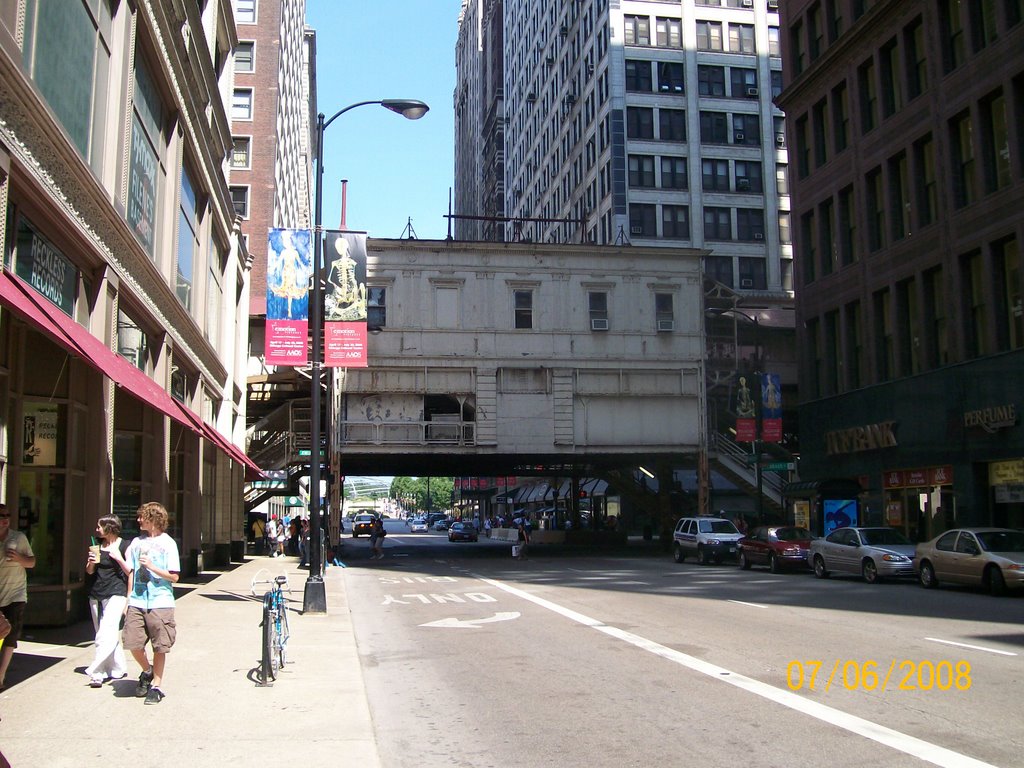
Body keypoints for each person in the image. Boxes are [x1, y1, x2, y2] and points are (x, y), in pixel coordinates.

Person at [124, 502, 180, 705]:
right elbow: (131, 571)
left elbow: (174, 577)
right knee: (132, 642)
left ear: (153, 519)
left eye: (142, 517)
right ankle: (147, 671)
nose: (138, 520)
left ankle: (156, 686)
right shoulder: (136, 543)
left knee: (160, 646)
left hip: (161, 602)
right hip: (138, 600)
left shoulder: (168, 544)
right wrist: (128, 598)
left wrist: (153, 567)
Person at [84, 515, 131, 688]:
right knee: (104, 632)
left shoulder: (125, 545)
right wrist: (90, 563)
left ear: (110, 527)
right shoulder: (96, 544)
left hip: (117, 593)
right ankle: (118, 667)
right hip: (96, 593)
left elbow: (130, 572)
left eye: (100, 526)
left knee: (106, 631)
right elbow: (89, 572)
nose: (97, 529)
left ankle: (96, 671)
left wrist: (118, 557)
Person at [0, 503, 35, 690]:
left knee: (10, 636)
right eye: (1, 515)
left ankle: (1, 675)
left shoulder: (18, 538)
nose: (5, 518)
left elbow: (32, 562)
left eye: (8, 514)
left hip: (16, 594)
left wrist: (19, 559)